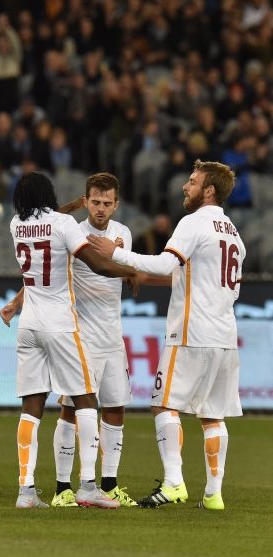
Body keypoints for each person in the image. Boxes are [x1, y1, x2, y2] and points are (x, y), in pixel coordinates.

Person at [88, 160, 246, 510]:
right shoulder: (233, 233)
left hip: (191, 332)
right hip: (224, 335)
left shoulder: (194, 222)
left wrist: (116, 253)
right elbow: (203, 279)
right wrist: (138, 273)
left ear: (209, 190)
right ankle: (214, 494)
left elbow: (165, 263)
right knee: (212, 415)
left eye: (192, 181)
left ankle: (174, 483)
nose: (185, 187)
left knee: (163, 404)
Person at [3, 171, 140, 509]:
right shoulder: (65, 225)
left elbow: (44, 220)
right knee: (85, 402)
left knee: (31, 409)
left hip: (29, 326)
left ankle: (25, 491)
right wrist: (132, 269)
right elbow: (98, 265)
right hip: (62, 325)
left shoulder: (16, 224)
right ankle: (86, 486)